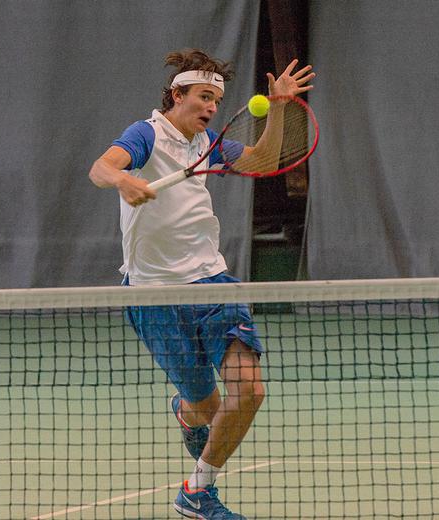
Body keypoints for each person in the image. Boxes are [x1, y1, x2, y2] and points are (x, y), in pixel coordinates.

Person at [89, 48, 314, 519]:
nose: (211, 107)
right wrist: (123, 180)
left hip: (212, 283)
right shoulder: (147, 134)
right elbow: (100, 167)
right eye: (203, 97)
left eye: (217, 100)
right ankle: (187, 409)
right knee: (206, 408)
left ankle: (197, 491)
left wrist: (277, 109)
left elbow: (262, 162)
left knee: (249, 391)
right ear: (177, 95)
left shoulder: (208, 143)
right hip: (156, 295)